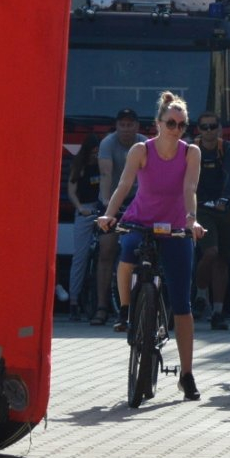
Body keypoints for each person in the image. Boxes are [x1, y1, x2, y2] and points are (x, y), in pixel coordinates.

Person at [97, 92, 207, 400]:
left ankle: (187, 375)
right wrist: (109, 214)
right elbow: (124, 184)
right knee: (127, 254)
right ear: (158, 123)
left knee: (182, 305)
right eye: (170, 123)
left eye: (181, 125)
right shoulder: (141, 149)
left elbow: (190, 188)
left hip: (175, 227)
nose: (176, 129)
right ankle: (125, 311)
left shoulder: (191, 152)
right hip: (141, 221)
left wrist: (192, 221)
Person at [91, 108, 145, 324]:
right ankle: (101, 307)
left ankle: (142, 300)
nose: (126, 129)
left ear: (137, 126)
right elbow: (106, 174)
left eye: (130, 125)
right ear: (117, 126)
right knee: (107, 249)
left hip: (137, 199)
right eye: (122, 124)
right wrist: (107, 205)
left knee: (143, 246)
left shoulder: (144, 144)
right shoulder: (108, 143)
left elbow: (149, 175)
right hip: (112, 198)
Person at [193, 112, 230, 328]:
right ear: (199, 130)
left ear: (219, 128)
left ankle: (218, 312)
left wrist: (224, 198)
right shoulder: (192, 149)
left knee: (222, 260)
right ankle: (201, 294)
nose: (209, 131)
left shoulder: (227, 148)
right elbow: (188, 178)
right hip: (201, 209)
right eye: (205, 127)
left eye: (213, 126)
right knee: (210, 252)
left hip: (224, 208)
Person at [66, 132, 104, 321]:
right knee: (79, 258)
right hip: (85, 210)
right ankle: (73, 301)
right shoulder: (79, 166)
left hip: (102, 209)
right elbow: (71, 191)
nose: (95, 156)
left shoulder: (104, 164)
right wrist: (80, 208)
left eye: (98, 152)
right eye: (92, 152)